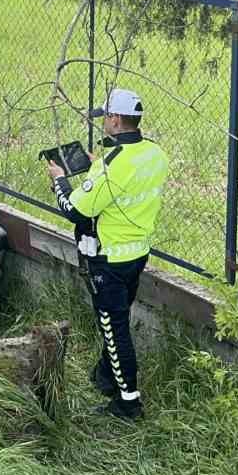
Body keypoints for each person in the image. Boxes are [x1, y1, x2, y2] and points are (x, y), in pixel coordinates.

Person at [47, 88, 169, 420]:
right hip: (137, 253)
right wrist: (95, 167)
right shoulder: (155, 154)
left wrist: (59, 181)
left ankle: (128, 402)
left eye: (106, 118)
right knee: (114, 320)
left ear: (115, 119)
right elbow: (126, 183)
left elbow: (75, 210)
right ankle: (105, 375)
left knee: (115, 328)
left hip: (108, 259)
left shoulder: (110, 167)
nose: (104, 123)